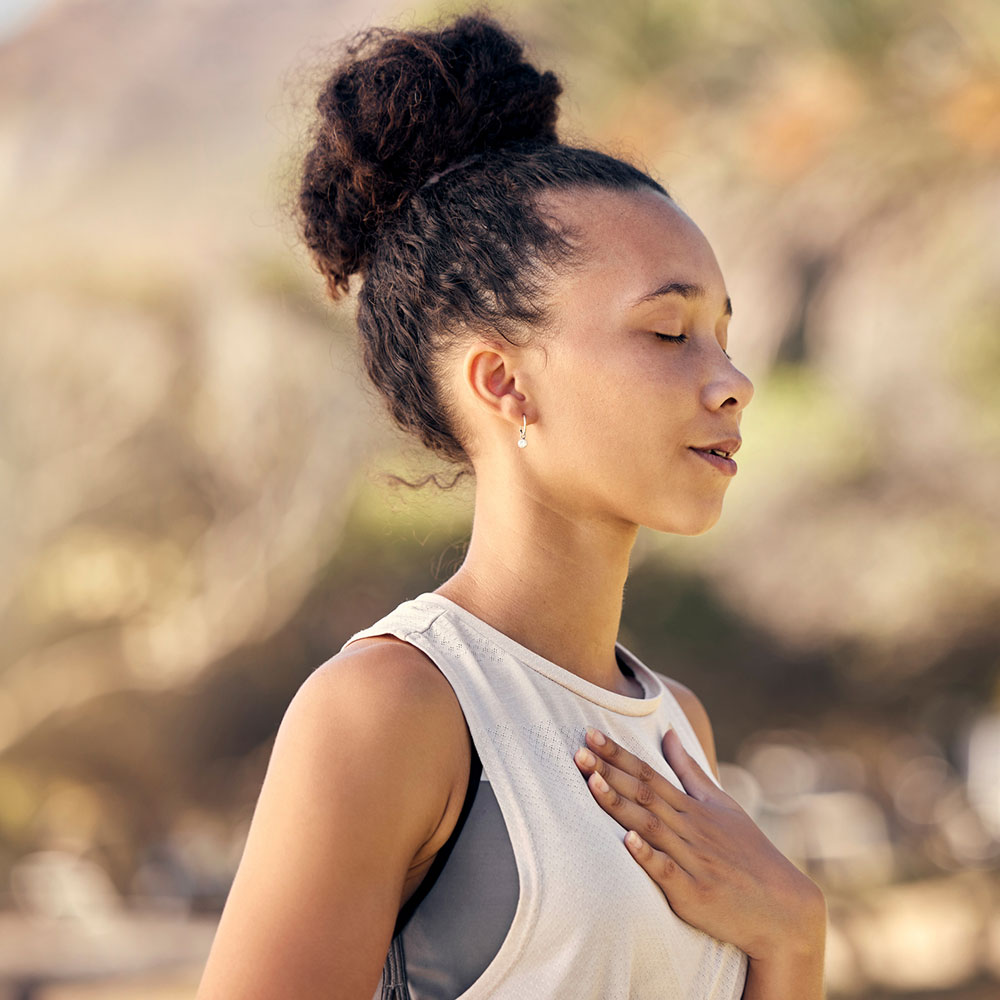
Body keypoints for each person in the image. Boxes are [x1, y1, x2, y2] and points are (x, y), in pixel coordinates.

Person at [195, 10, 827, 1000]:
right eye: (668, 333)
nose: (730, 378)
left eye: (721, 332)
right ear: (502, 384)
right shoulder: (392, 711)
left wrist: (793, 938)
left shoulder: (675, 728)